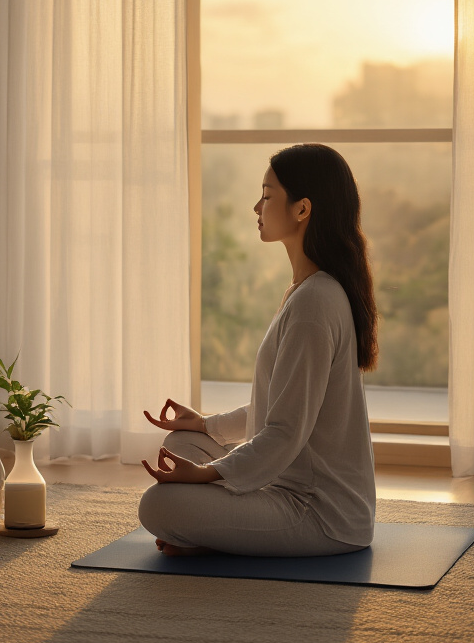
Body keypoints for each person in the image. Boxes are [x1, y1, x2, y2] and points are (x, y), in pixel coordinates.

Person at [138, 143, 378, 557]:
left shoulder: (314, 304)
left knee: (158, 505)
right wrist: (207, 427)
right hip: (286, 481)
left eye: (267, 196)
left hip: (319, 513)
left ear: (302, 209)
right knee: (180, 444)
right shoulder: (306, 291)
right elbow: (282, 409)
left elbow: (284, 431)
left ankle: (205, 533)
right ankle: (211, 530)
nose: (257, 206)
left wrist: (206, 476)